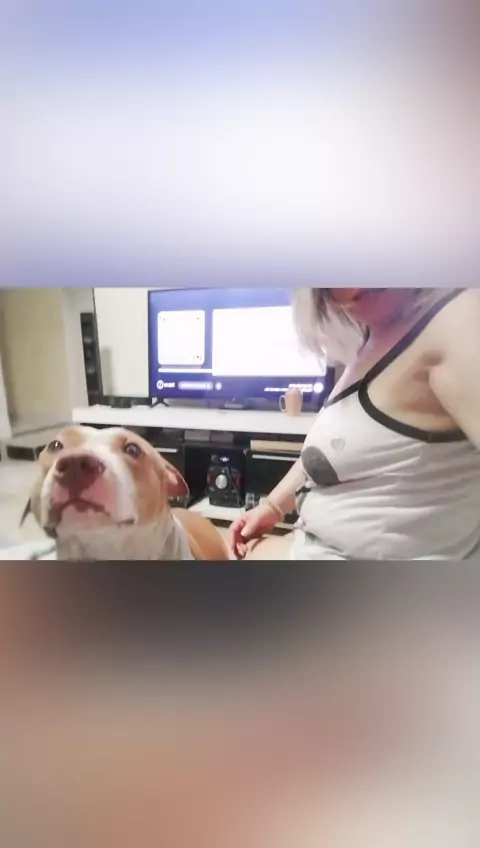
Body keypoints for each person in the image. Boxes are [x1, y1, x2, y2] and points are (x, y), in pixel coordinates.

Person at [228, 288, 480, 560]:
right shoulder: (374, 338)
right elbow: (331, 452)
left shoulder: (459, 318)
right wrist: (272, 507)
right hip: (314, 544)